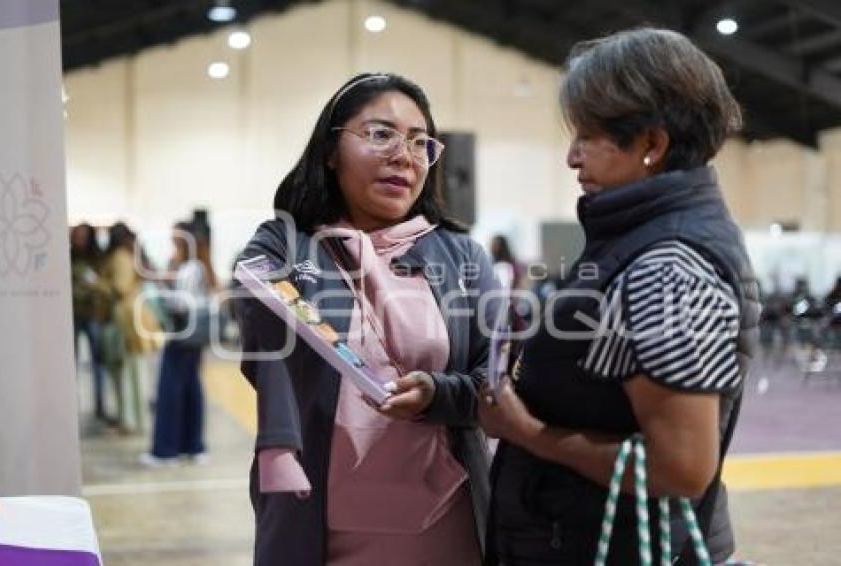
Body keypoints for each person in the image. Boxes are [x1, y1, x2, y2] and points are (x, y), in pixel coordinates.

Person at [478, 28, 760, 565]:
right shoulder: (641, 242)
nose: (571, 157)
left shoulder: (666, 267)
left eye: (586, 136)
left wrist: (531, 434)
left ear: (651, 145)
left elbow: (680, 466)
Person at [236, 73, 500, 565]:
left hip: (446, 523)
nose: (404, 155)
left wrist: (438, 394)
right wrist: (277, 445)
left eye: (421, 143)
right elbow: (260, 315)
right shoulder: (287, 244)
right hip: (317, 522)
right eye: (380, 134)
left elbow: (496, 381)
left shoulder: (462, 255)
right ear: (331, 150)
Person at [142, 221, 216, 464]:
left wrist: (159, 289)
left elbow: (181, 304)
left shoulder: (189, 269)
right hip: (195, 336)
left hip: (182, 334)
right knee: (191, 388)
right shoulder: (201, 266)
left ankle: (166, 450)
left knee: (170, 390)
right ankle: (193, 446)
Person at [102, 221, 162, 433]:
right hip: (137, 314)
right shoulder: (133, 254)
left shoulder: (120, 256)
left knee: (128, 372)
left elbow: (120, 287)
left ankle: (129, 421)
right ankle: (137, 420)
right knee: (137, 371)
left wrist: (99, 284)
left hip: (126, 317)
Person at [70, 222, 110, 423]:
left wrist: (91, 287)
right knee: (71, 363)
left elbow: (104, 286)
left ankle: (100, 405)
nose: (80, 240)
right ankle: (71, 404)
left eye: (83, 236)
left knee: (99, 362)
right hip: (74, 316)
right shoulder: (68, 259)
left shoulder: (98, 259)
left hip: (93, 315)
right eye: (77, 236)